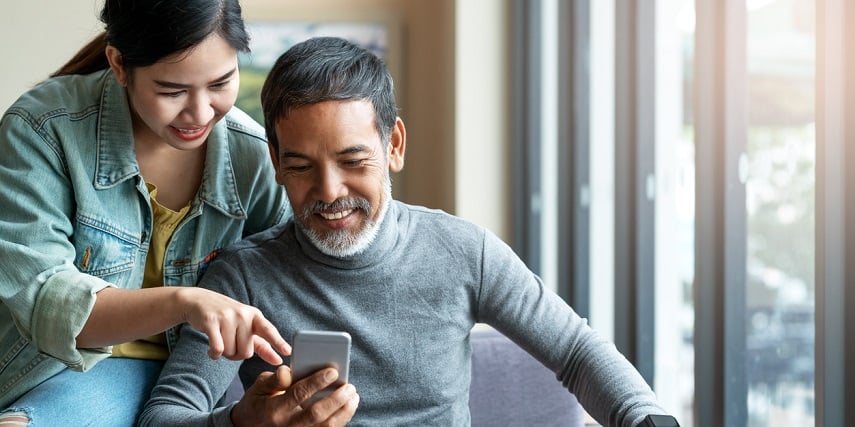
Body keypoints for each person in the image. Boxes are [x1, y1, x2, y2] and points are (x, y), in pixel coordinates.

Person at [139, 36, 677, 427]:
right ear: (275, 162)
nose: (329, 193)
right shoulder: (243, 277)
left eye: (353, 160)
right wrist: (240, 424)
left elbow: (577, 353)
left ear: (393, 145)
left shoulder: (464, 252)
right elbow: (165, 417)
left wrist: (646, 417)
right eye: (301, 166)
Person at [0, 2, 355, 426]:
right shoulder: (44, 128)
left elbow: (299, 277)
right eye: (172, 91)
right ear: (118, 64)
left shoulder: (253, 158)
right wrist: (185, 303)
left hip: (189, 378)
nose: (200, 113)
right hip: (58, 367)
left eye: (221, 83)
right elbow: (46, 301)